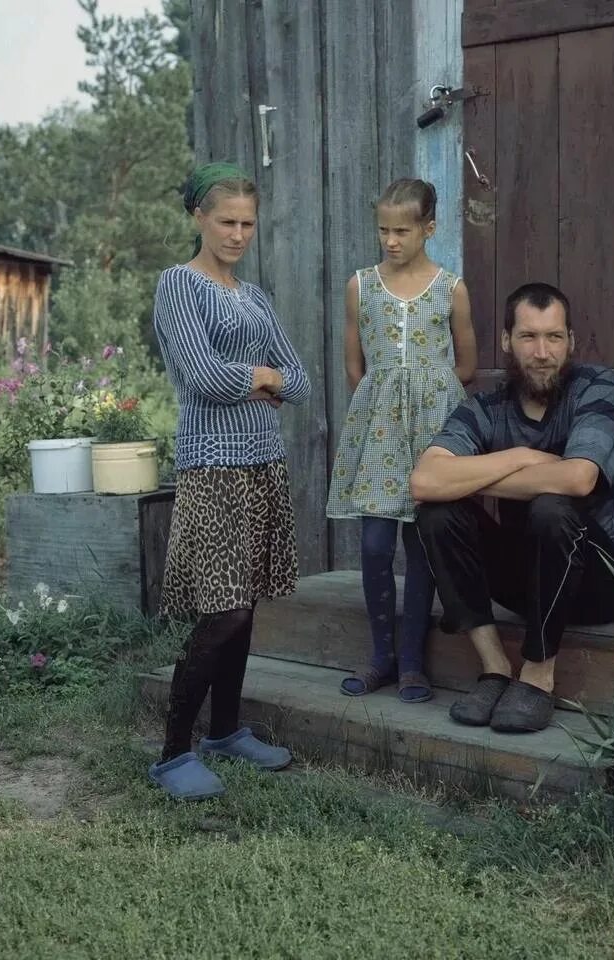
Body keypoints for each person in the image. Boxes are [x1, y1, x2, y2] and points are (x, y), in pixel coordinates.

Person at [410, 282, 614, 733]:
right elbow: (425, 481)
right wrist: (522, 457)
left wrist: (481, 474)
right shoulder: (486, 408)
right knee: (436, 512)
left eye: (554, 337)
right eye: (528, 337)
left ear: (571, 341)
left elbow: (579, 478)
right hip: (528, 581)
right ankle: (496, 668)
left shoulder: (596, 388)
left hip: (606, 581)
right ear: (505, 341)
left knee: (552, 508)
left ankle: (538, 675)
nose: (542, 352)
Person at [148, 162, 311, 799]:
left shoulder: (258, 297)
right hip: (212, 465)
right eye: (226, 221)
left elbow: (297, 380)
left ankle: (225, 732)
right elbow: (204, 378)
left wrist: (268, 378)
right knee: (223, 610)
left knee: (244, 609)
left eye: (248, 222)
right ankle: (170, 755)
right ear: (198, 218)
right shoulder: (177, 286)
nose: (238, 234)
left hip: (262, 461)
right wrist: (261, 376)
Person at [326, 178, 477, 703]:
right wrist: (386, 398)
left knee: (421, 547)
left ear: (428, 228)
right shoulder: (361, 286)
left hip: (433, 430)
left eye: (402, 231)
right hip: (380, 433)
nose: (390, 241)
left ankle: (412, 663)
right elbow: (354, 365)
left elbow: (467, 363)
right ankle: (380, 658)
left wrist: (429, 393)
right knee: (374, 545)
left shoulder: (450, 287)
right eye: (383, 231)